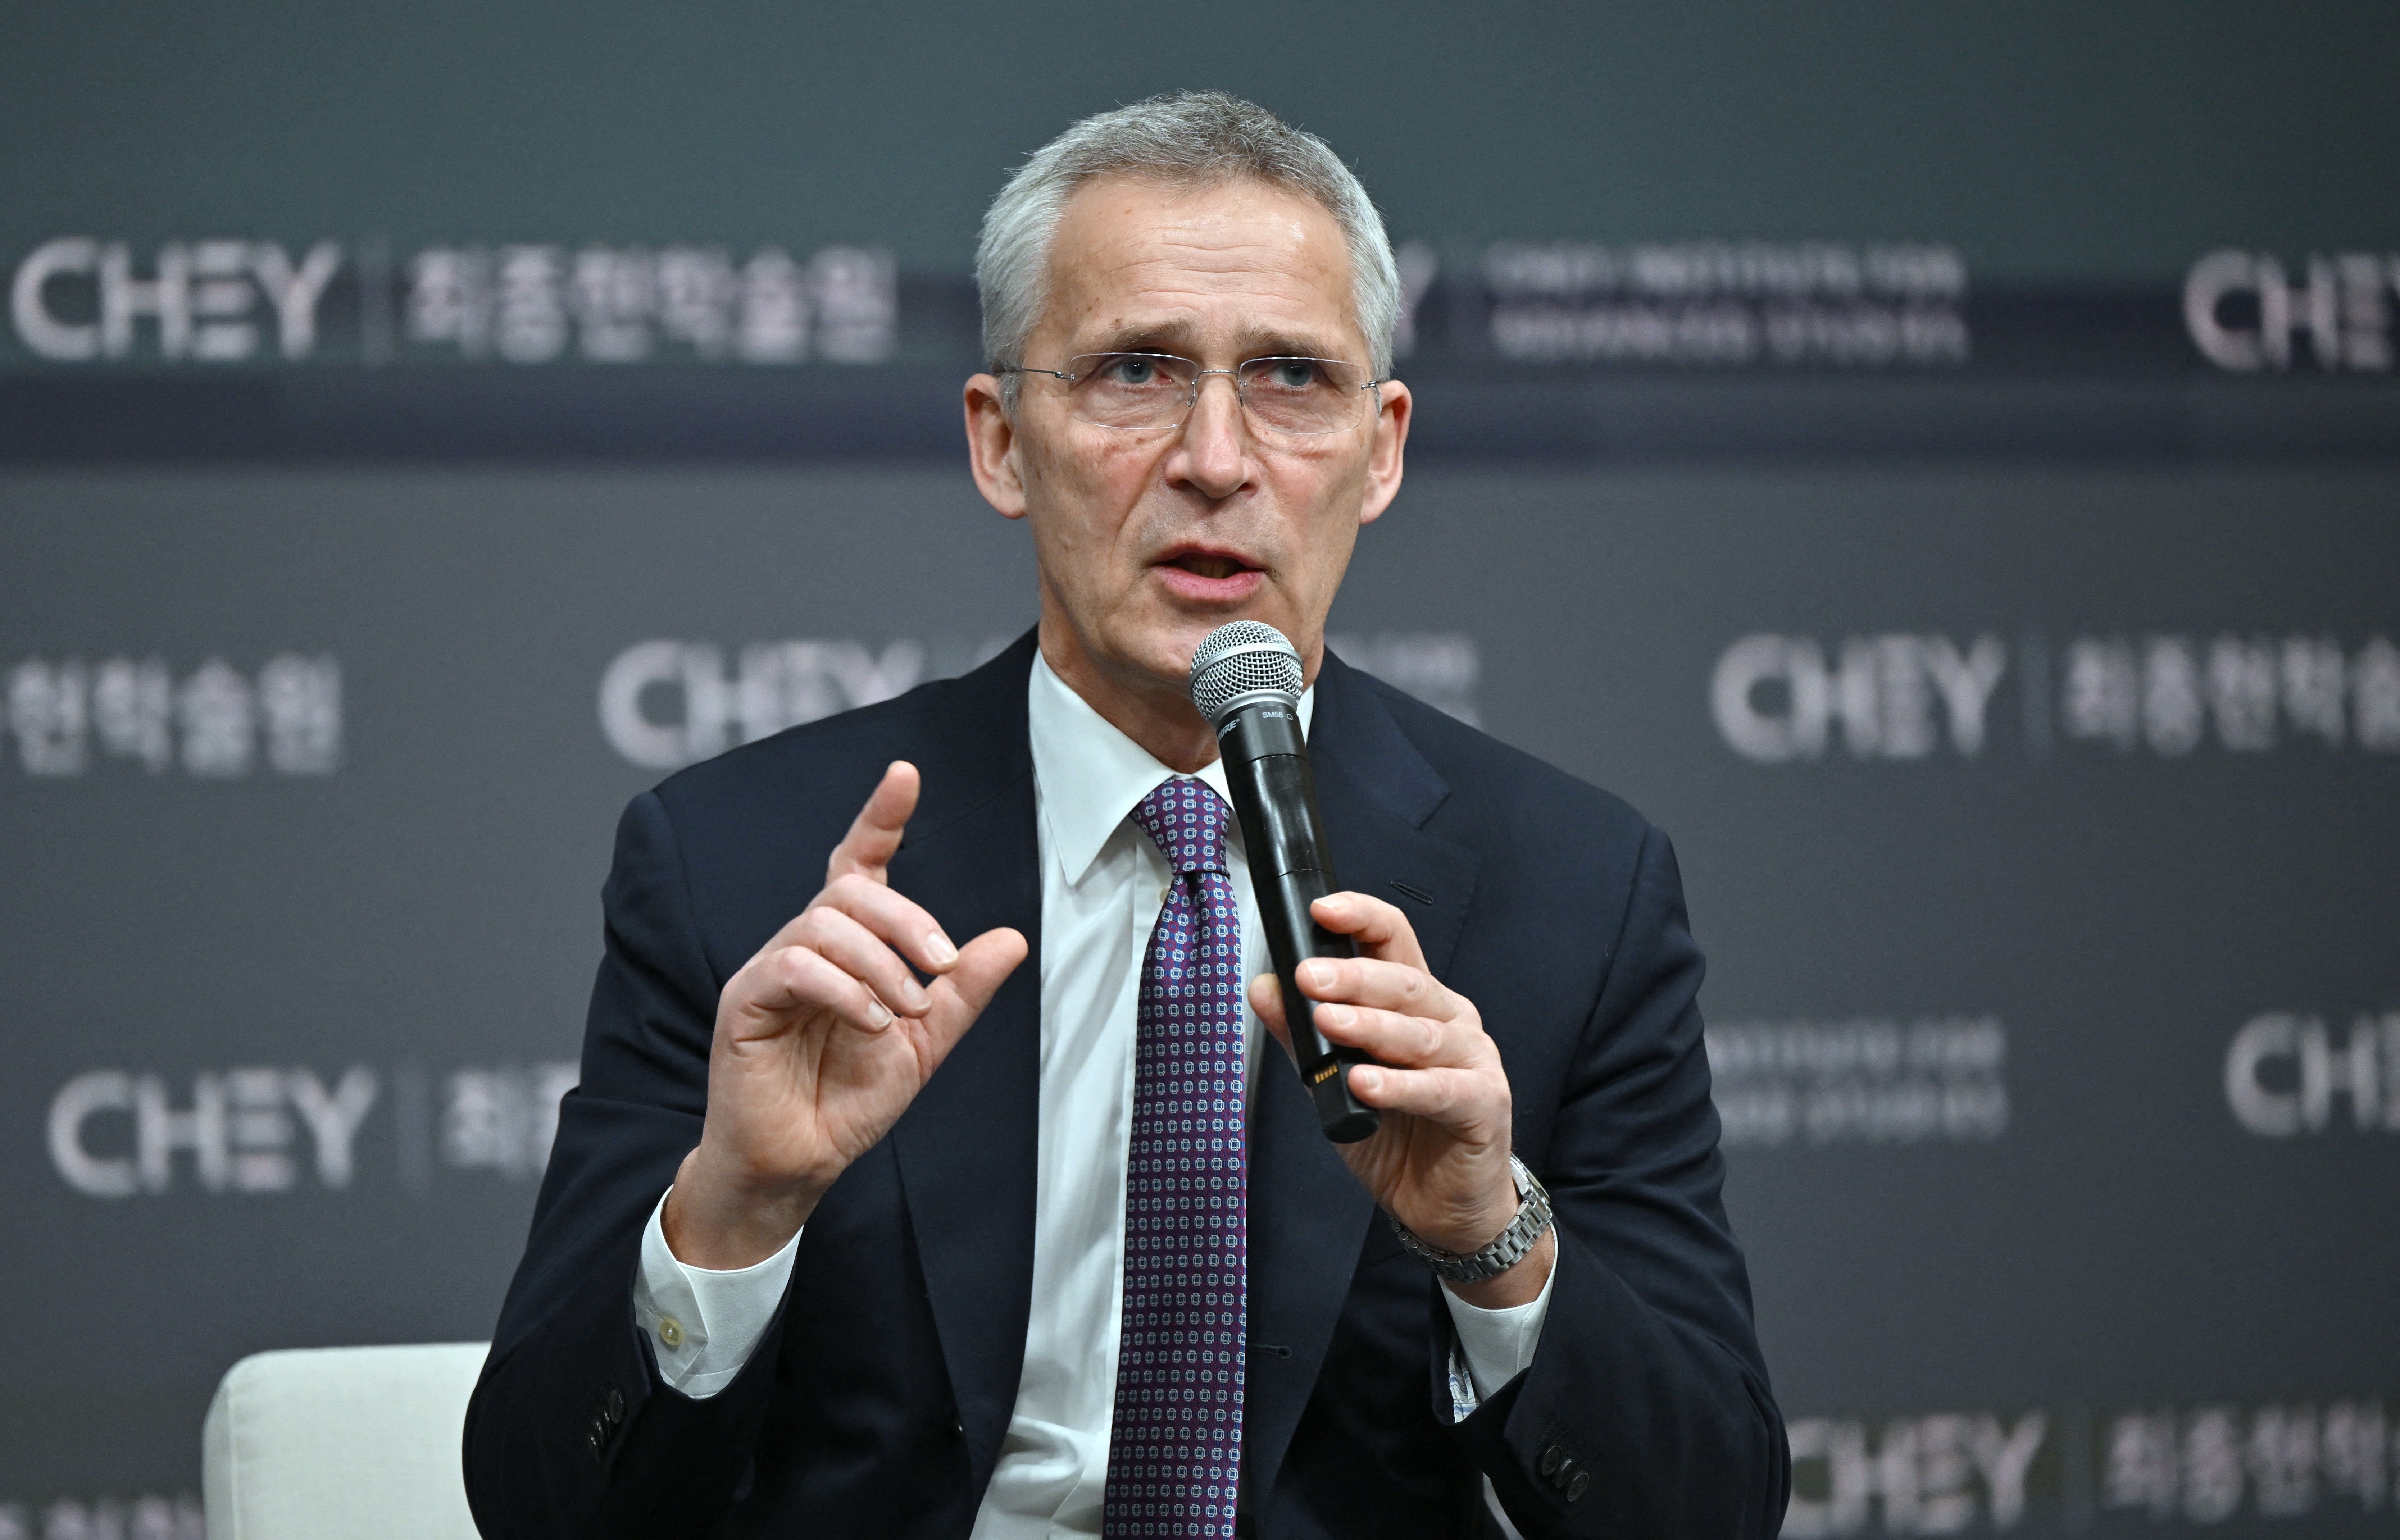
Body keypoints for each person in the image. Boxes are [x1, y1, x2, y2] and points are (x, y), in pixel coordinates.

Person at [464, 91, 1787, 1540]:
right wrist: (733, 1213)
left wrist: (1495, 1240)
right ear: (1002, 442)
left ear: (1384, 447)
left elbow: (1705, 1510)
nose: (1217, 458)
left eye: (1291, 378)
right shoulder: (741, 868)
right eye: (1137, 373)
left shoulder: (1573, 889)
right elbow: (541, 1504)